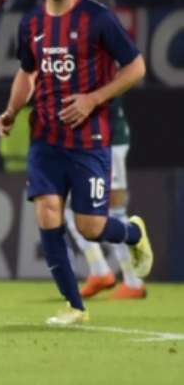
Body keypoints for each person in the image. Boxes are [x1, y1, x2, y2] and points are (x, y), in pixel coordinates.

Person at [0, 0, 153, 325]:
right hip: (46, 138)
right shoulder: (30, 24)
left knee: (90, 226)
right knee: (48, 215)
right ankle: (73, 306)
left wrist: (93, 99)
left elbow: (136, 67)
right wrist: (12, 110)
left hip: (90, 140)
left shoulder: (98, 19)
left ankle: (132, 234)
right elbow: (27, 72)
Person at [65, 97, 147, 299]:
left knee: (112, 210)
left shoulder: (103, 66)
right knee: (70, 206)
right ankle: (100, 271)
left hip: (108, 139)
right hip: (90, 139)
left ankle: (133, 281)